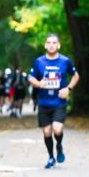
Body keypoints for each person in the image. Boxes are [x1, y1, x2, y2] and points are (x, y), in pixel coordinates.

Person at [27, 33, 79, 169]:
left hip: (59, 102)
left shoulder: (65, 61)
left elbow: (76, 76)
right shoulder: (39, 62)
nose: (51, 45)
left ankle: (59, 146)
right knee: (47, 132)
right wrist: (38, 84)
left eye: (54, 42)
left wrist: (68, 89)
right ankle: (51, 157)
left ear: (58, 45)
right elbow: (30, 77)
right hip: (44, 103)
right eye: (49, 42)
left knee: (57, 128)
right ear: (45, 45)